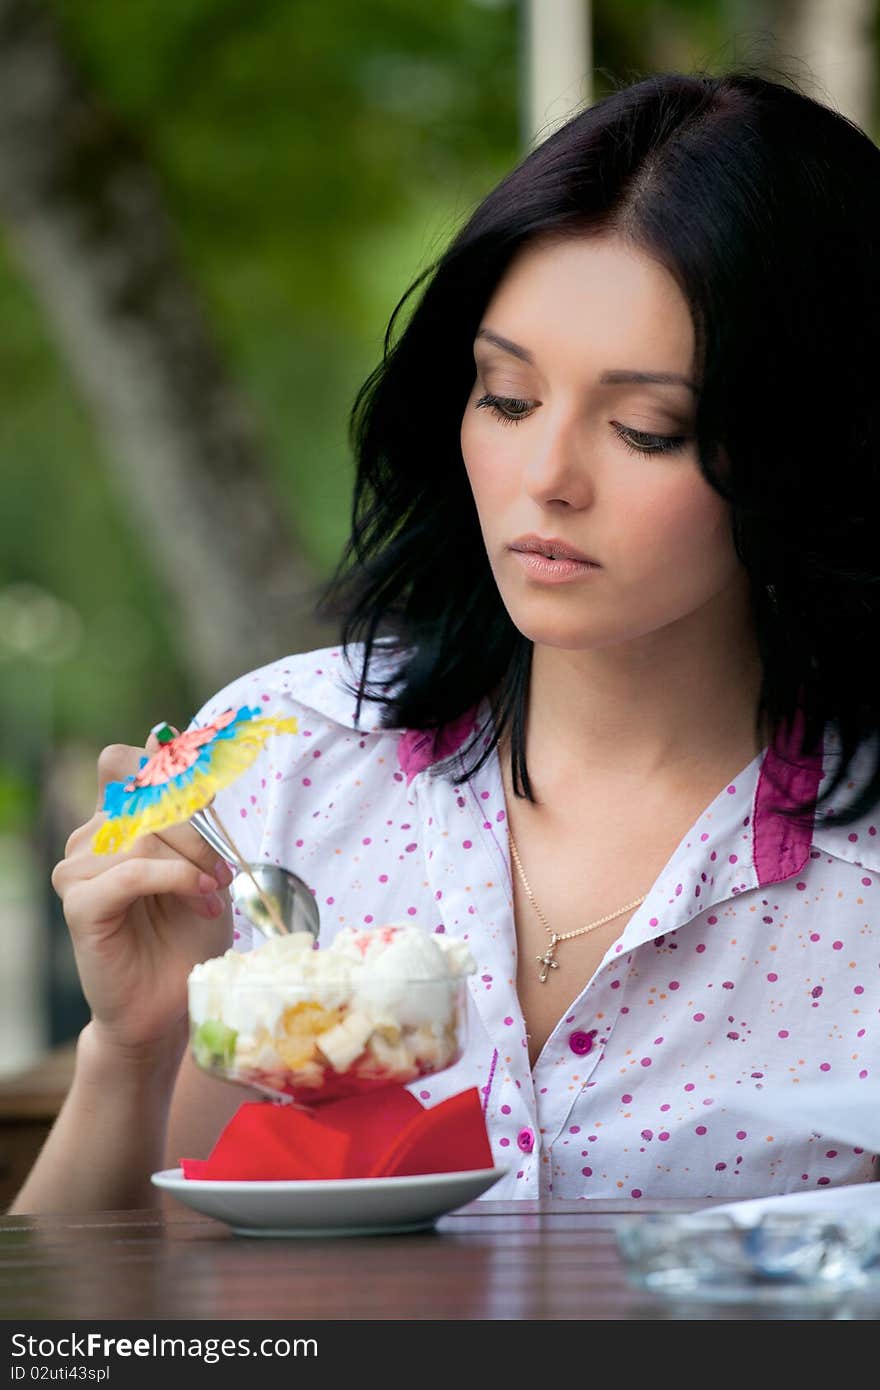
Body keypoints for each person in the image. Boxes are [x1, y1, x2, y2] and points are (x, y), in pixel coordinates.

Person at [10, 67, 880, 1214]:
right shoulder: (284, 766)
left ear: (809, 451)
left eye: (645, 429)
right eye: (506, 399)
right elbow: (87, 1326)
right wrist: (134, 1045)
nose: (545, 480)